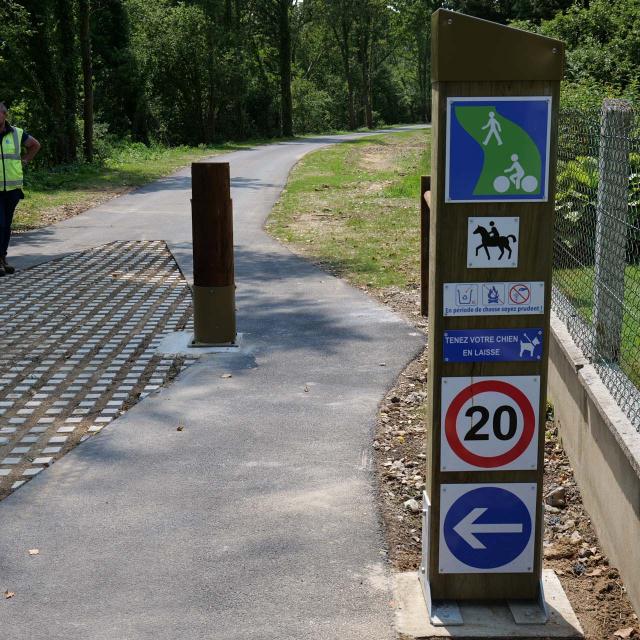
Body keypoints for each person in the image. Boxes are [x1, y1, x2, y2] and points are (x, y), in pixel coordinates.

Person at [0, 101, 41, 276]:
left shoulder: (17, 133)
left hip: (13, 189)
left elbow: (35, 145)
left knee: (6, 225)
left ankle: (2, 258)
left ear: (5, 115)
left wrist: (25, 160)